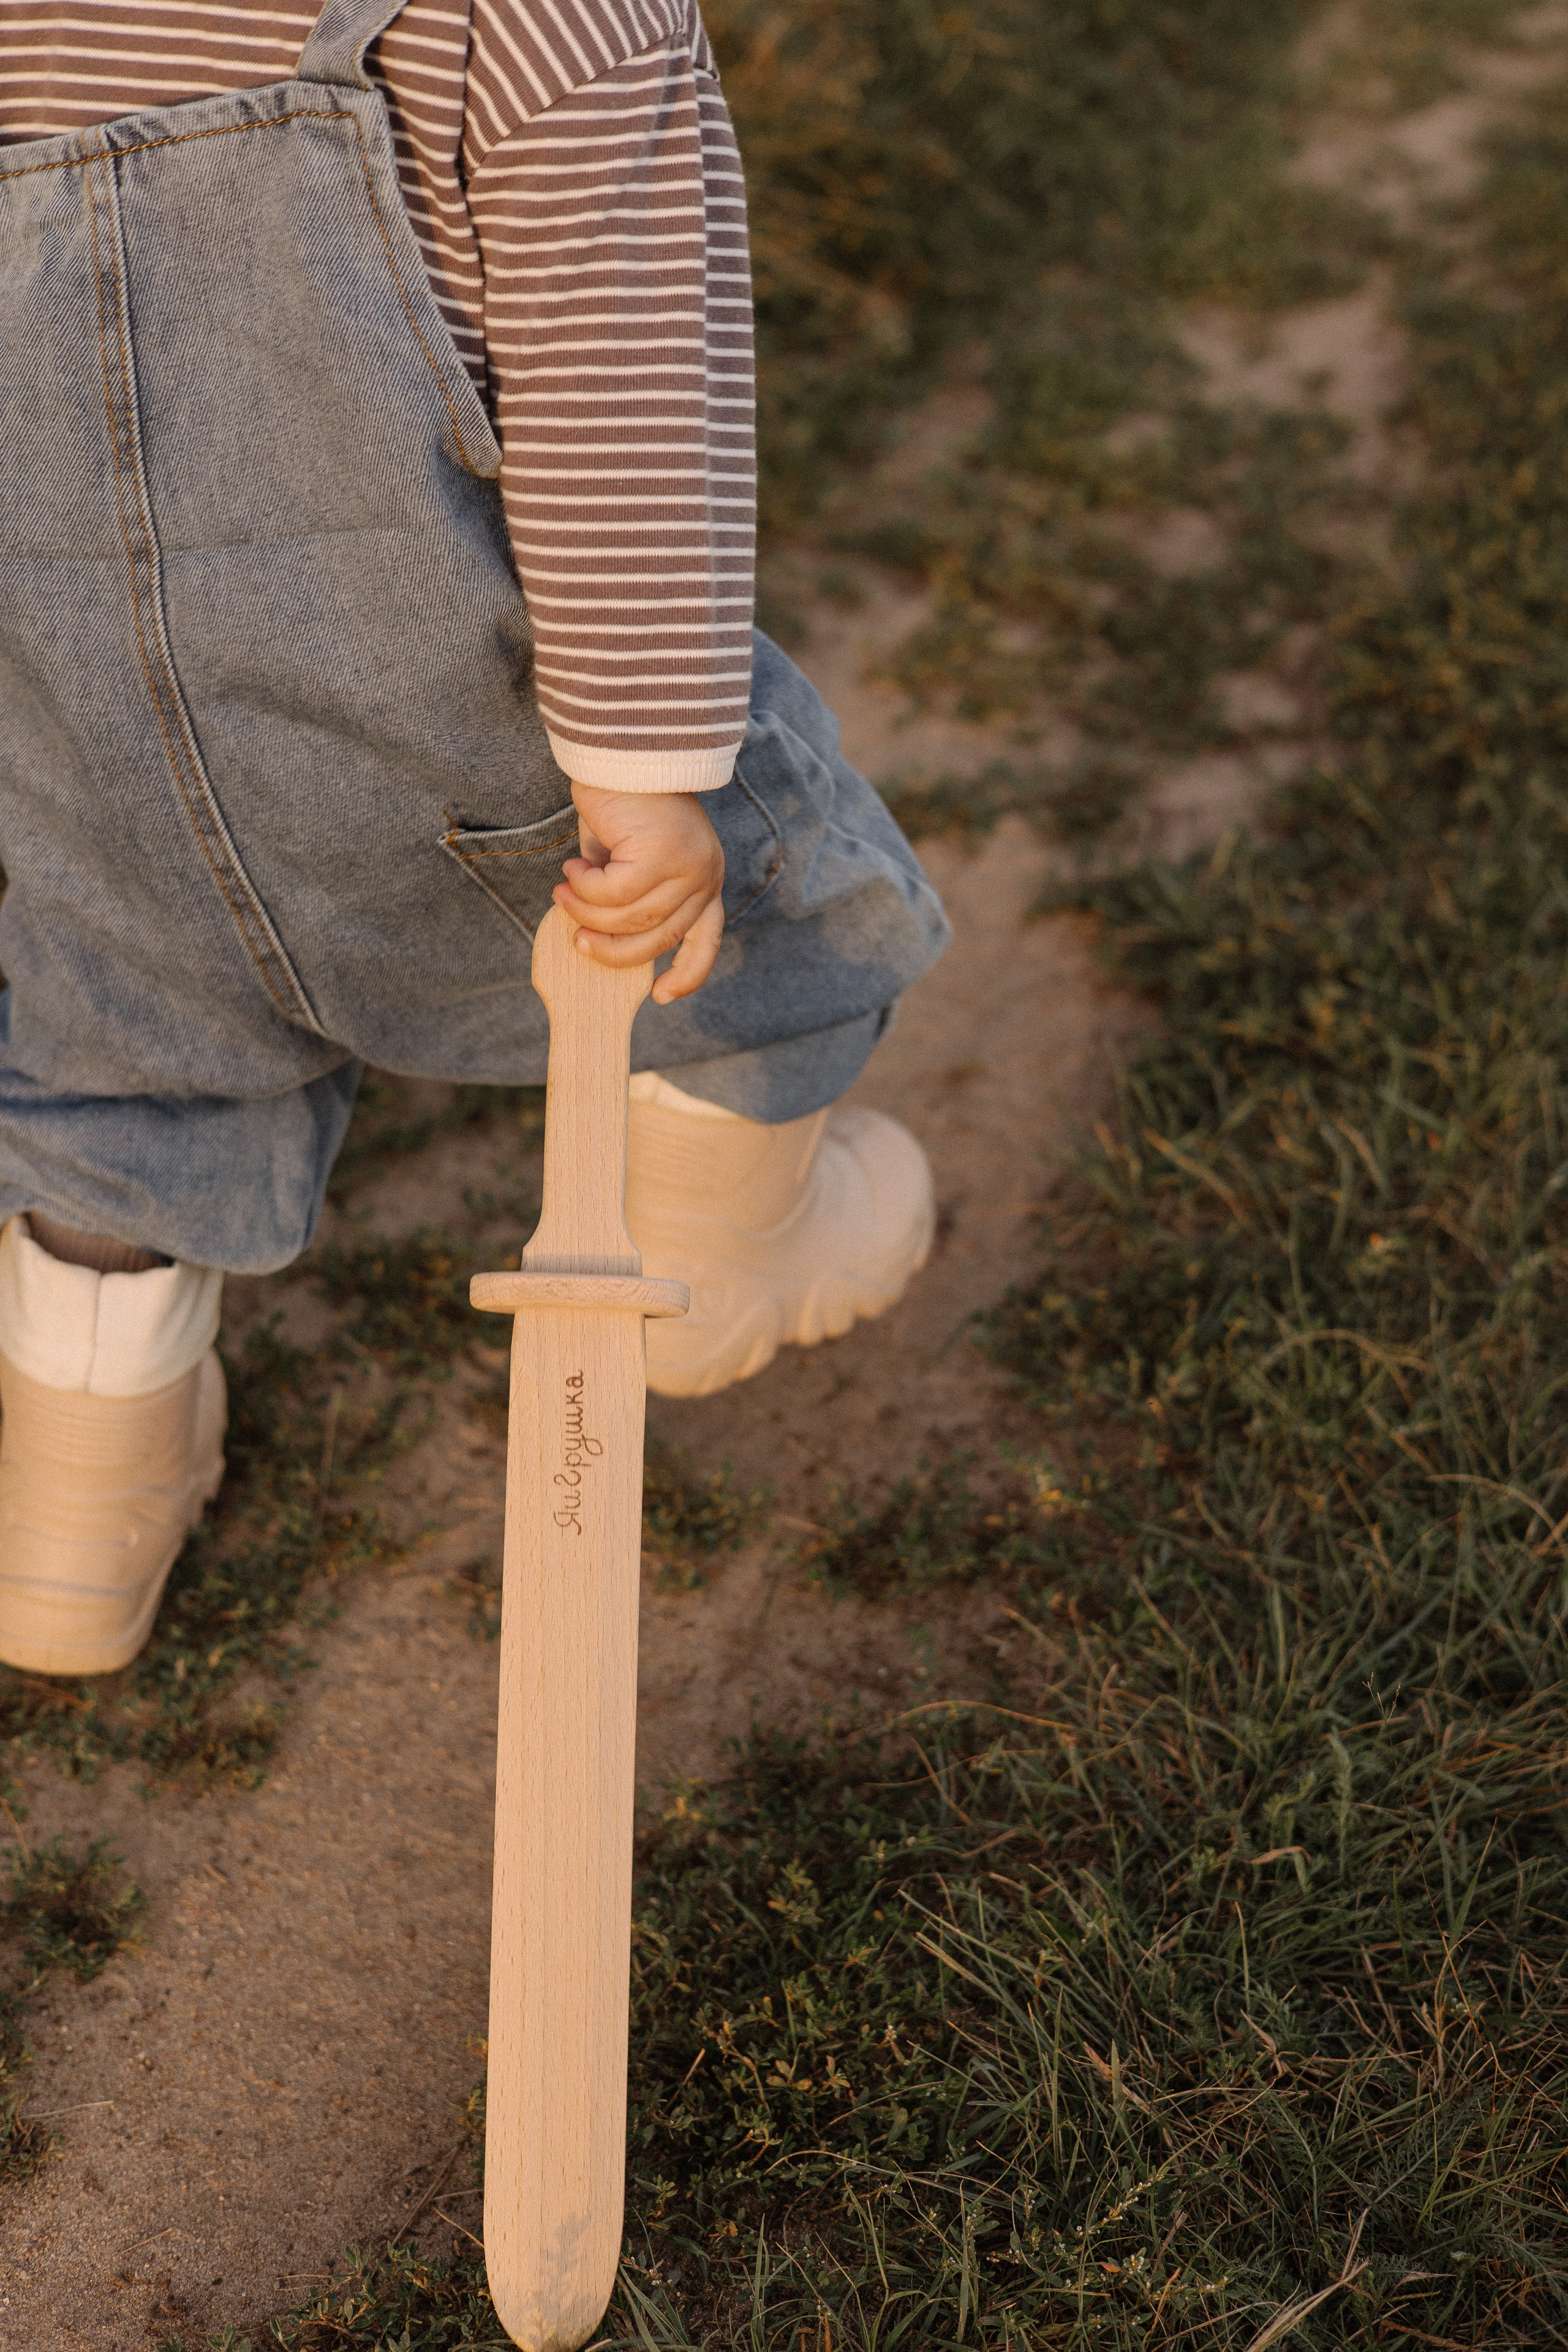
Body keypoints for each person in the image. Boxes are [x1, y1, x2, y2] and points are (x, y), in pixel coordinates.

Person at [0, 0, 949, 1678]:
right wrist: (646, 773)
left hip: (87, 735)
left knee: (115, 1059)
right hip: (453, 725)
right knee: (748, 919)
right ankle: (719, 1253)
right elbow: (623, 392)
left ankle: (76, 1517)